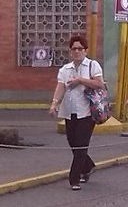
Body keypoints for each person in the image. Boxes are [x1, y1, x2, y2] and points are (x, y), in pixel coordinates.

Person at [49, 35, 105, 190]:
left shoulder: (93, 66)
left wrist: (80, 80)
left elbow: (99, 84)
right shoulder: (65, 69)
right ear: (70, 51)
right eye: (74, 49)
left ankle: (74, 178)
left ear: (86, 50)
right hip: (69, 111)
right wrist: (54, 104)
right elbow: (60, 87)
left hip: (87, 112)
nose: (77, 51)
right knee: (73, 143)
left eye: (80, 48)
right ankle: (87, 166)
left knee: (81, 145)